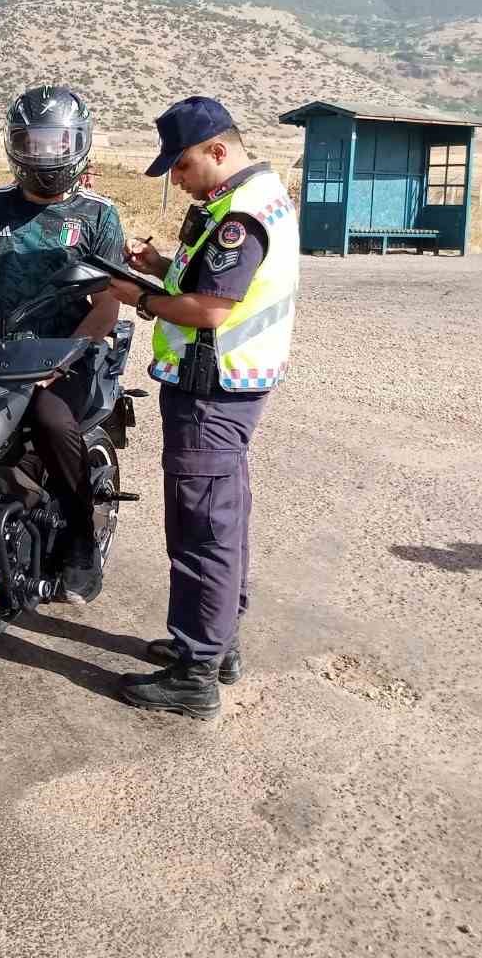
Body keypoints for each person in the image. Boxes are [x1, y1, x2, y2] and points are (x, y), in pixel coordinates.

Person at [105, 96, 300, 718]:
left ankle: (196, 672)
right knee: (224, 514)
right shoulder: (248, 198)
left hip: (211, 389)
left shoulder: (240, 215)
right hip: (227, 385)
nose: (176, 178)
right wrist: (162, 266)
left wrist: (139, 295)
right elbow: (210, 285)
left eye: (182, 165)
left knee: (201, 527)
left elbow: (210, 309)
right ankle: (219, 643)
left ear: (219, 151)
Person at [0, 85, 125, 604]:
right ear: (14, 144)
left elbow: (106, 307)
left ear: (79, 144)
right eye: (33, 142)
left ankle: (79, 540)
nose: (44, 154)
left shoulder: (98, 217)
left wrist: (60, 359)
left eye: (56, 143)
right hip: (0, 354)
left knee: (50, 420)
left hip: (70, 356)